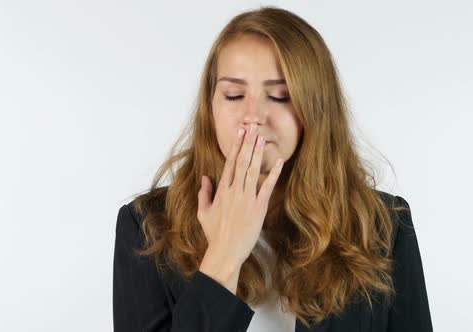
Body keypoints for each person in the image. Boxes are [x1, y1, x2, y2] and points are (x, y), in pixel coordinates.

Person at [113, 5, 433, 332]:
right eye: (234, 94)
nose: (253, 115)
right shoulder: (146, 226)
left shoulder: (383, 225)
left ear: (317, 110)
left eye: (280, 96)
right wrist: (223, 256)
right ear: (210, 107)